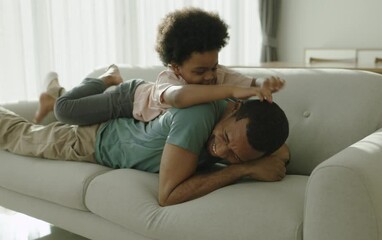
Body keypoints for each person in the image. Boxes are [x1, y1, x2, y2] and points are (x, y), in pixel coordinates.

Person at [1, 97, 290, 206]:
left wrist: (260, 159)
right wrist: (241, 168)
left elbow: (284, 151)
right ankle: (54, 100)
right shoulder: (198, 116)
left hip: (118, 129)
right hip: (94, 140)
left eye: (235, 155)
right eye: (226, 136)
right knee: (17, 136)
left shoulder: (243, 132)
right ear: (234, 107)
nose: (220, 150)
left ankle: (54, 98)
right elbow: (168, 196)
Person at [33, 7, 285, 125]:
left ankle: (55, 96)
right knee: (64, 110)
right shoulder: (169, 81)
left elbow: (249, 83)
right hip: (128, 98)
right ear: (176, 67)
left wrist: (264, 84)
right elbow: (181, 98)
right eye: (200, 71)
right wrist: (230, 91)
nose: (210, 76)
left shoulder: (217, 73)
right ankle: (105, 78)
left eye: (213, 67)